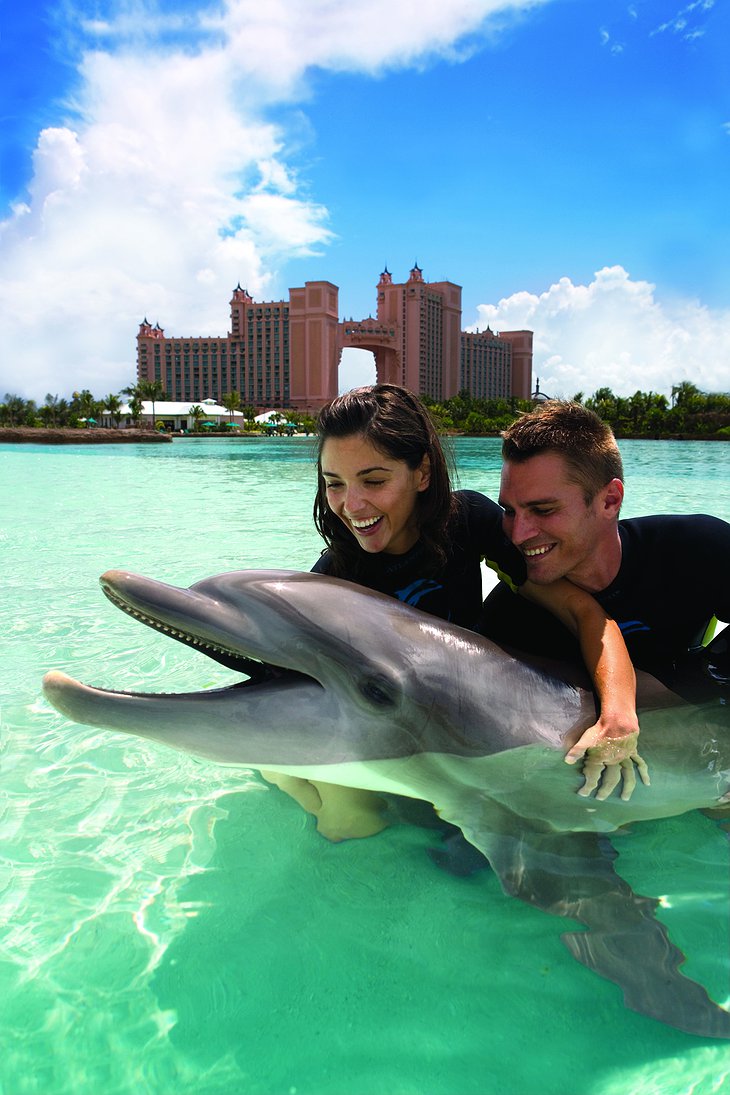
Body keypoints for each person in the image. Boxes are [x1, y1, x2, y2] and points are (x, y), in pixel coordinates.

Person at [262, 385, 645, 841]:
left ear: (422, 472)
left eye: (375, 480)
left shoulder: (465, 522)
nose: (353, 504)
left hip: (457, 723)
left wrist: (619, 714)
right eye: (334, 483)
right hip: (394, 733)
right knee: (347, 821)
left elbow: (585, 613)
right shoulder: (336, 578)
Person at [479, 399, 730, 705]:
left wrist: (703, 685)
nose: (518, 534)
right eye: (508, 511)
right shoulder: (508, 618)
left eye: (543, 510)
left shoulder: (696, 549)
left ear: (609, 501)